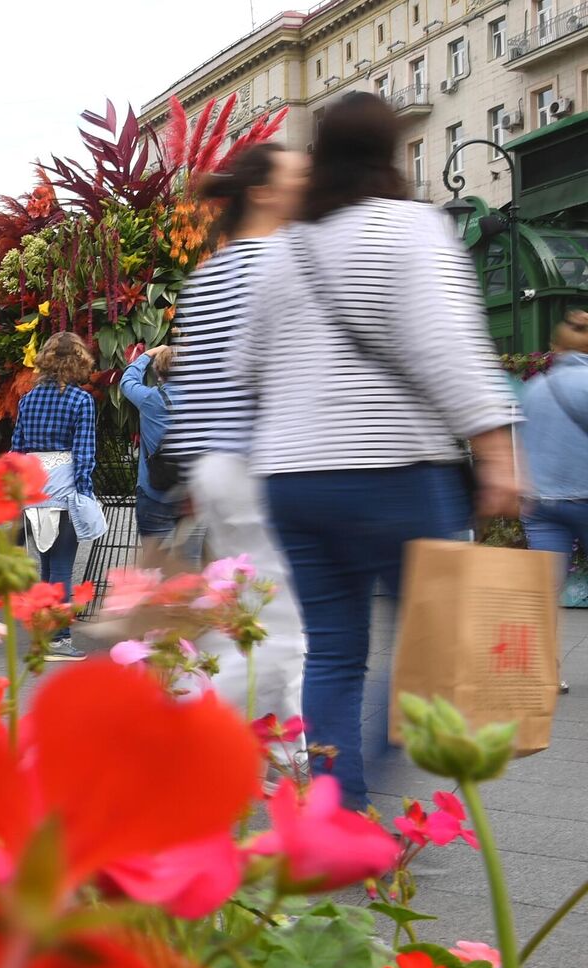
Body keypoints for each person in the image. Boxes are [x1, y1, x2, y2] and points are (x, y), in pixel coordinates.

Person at [238, 93, 519, 811]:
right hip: (394, 470)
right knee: (436, 646)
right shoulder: (412, 228)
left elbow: (249, 370)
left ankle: (339, 813)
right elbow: (448, 347)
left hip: (294, 479)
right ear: (391, 153)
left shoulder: (283, 252)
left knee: (334, 651)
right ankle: (367, 792)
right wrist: (495, 450)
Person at [166, 143, 311, 761]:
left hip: (219, 468)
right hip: (265, 464)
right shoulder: (284, 262)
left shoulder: (208, 275)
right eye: (298, 177)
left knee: (252, 625)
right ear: (264, 192)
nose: (309, 185)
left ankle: (286, 761)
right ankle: (168, 741)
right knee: (285, 633)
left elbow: (190, 388)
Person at [9, 331, 104, 661]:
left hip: (33, 488)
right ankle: (59, 639)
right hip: (64, 487)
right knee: (63, 565)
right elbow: (84, 454)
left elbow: (17, 450)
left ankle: (44, 635)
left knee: (47, 566)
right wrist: (85, 493)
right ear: (78, 361)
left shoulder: (28, 399)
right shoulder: (81, 400)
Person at [519, 306, 588, 613]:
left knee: (542, 600)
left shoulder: (533, 388)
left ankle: (537, 659)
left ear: (556, 348)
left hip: (541, 503)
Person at [121, 345, 186, 560]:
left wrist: (148, 354)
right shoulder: (204, 401)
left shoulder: (150, 399)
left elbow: (127, 381)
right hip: (192, 497)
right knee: (191, 571)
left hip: (153, 492)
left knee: (156, 568)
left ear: (158, 372)